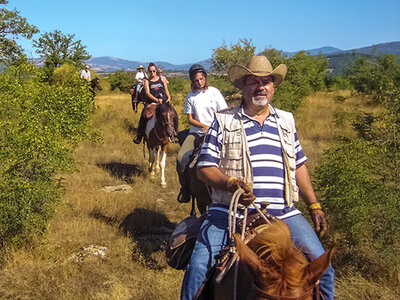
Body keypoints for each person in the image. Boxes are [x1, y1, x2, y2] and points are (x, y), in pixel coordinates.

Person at [180, 55, 334, 300]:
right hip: (229, 212)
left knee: (324, 272)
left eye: (266, 82)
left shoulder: (286, 120)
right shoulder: (224, 120)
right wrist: (230, 183)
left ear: (273, 87)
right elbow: (204, 169)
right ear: (242, 86)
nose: (260, 86)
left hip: (284, 211)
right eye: (253, 81)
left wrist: (314, 204)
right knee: (199, 267)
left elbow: (300, 166)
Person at [176, 64, 227, 190]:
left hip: (217, 131)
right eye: (196, 80)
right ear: (192, 81)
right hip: (196, 132)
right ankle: (185, 189)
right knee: (181, 158)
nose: (199, 82)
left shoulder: (214, 92)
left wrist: (215, 127)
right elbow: (190, 119)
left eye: (201, 79)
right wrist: (204, 126)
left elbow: (223, 112)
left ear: (205, 77)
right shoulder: (191, 96)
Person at [133, 62, 178, 144]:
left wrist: (169, 97)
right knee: (144, 115)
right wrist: (157, 100)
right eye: (150, 71)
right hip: (153, 102)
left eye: (153, 71)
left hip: (164, 102)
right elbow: (148, 93)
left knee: (174, 113)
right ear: (148, 72)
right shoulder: (147, 81)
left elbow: (166, 90)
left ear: (156, 70)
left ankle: (175, 133)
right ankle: (140, 135)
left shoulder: (162, 79)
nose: (152, 73)